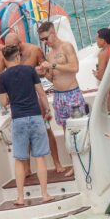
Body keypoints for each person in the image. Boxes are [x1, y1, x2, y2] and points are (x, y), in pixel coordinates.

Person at [0, 31, 66, 174]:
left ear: (19, 44)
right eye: (7, 47)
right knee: (24, 136)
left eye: (12, 47)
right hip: (17, 102)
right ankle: (27, 169)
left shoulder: (34, 50)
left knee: (47, 130)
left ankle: (57, 163)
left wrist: (46, 74)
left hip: (34, 100)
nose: (9, 50)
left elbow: (47, 72)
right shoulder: (5, 54)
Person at [0, 44, 55, 207]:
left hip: (19, 120)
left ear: (5, 59)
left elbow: (3, 102)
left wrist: (9, 98)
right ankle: (44, 195)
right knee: (40, 157)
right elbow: (41, 93)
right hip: (36, 117)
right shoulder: (30, 71)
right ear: (17, 57)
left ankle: (21, 198)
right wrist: (48, 110)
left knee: (20, 160)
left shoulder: (2, 78)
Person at [38, 21, 86, 154]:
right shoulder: (50, 54)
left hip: (72, 93)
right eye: (42, 40)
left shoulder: (66, 47)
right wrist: (43, 73)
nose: (45, 42)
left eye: (46, 38)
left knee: (79, 127)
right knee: (66, 131)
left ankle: (84, 159)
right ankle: (73, 163)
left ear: (53, 33)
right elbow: (53, 78)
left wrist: (53, 66)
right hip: (58, 96)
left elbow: (74, 68)